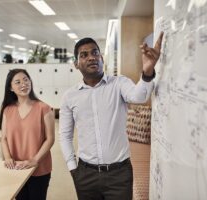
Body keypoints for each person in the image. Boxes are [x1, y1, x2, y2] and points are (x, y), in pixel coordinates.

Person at [59, 32, 164, 200]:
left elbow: (140, 96)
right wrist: (73, 169)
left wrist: (148, 69)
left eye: (95, 53)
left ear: (101, 58)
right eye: (84, 55)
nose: (91, 57)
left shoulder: (119, 84)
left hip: (119, 175)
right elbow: (65, 136)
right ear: (76, 64)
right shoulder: (70, 96)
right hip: (86, 175)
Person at [0, 68, 55, 200]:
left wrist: (34, 160)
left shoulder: (44, 108)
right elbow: (4, 138)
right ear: (11, 88)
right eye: (17, 82)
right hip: (16, 167)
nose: (23, 84)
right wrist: (7, 158)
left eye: (26, 80)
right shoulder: (7, 110)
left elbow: (50, 139)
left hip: (39, 167)